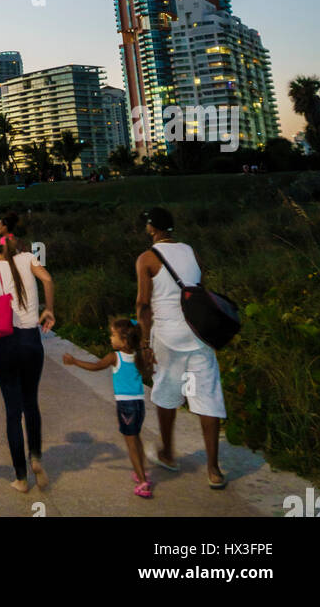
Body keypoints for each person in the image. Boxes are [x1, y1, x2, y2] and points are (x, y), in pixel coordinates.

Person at [135, 206, 227, 490]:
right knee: (207, 398)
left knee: (166, 393)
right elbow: (198, 292)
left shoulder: (147, 258)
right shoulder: (191, 252)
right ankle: (213, 470)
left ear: (152, 228)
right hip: (198, 335)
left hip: (167, 336)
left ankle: (168, 453)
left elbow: (143, 304)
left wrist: (144, 342)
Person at [0, 234, 55, 493]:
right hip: (31, 342)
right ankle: (36, 457)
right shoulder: (28, 258)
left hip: (5, 345)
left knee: (12, 413)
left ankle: (20, 477)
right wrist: (49, 309)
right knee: (31, 403)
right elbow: (48, 279)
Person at [63, 317, 152, 498]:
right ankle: (140, 471)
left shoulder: (115, 357)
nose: (110, 338)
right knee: (137, 439)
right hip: (139, 404)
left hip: (126, 406)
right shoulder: (138, 356)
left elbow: (95, 366)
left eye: (113, 335)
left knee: (131, 443)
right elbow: (149, 372)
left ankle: (142, 481)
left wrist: (75, 362)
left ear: (124, 340)